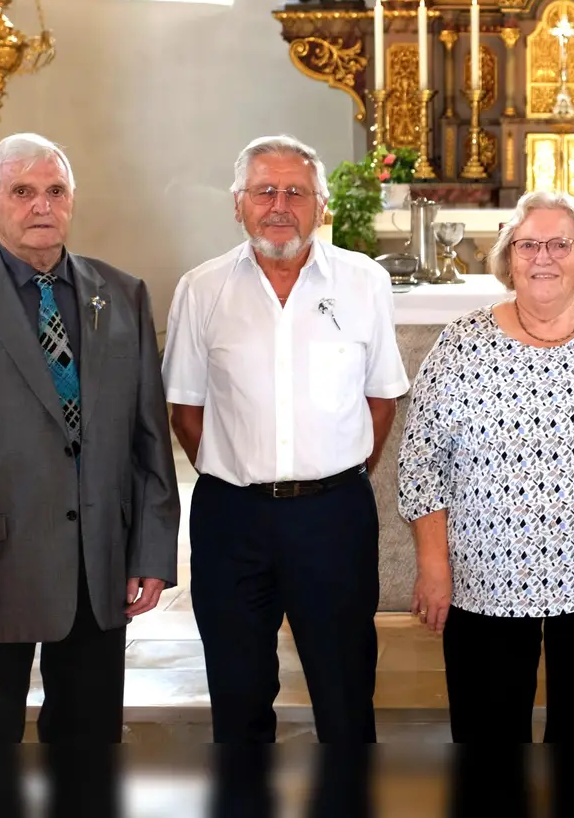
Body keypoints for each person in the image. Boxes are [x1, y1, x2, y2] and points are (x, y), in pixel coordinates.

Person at [0, 132, 179, 813]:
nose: (40, 206)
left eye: (54, 191)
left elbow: (149, 439)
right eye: (22, 192)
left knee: (87, 760)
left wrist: (149, 554)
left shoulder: (123, 295)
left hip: (94, 572)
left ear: (72, 201)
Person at [161, 135, 408, 810]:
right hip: (230, 517)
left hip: (332, 516)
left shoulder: (364, 282)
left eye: (295, 192)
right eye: (264, 192)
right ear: (238, 205)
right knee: (238, 696)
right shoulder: (201, 288)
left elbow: (381, 399)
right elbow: (185, 407)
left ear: (320, 206)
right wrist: (238, 470)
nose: (279, 206)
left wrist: (333, 474)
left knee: (345, 692)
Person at [398, 190, 574, 743]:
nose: (543, 257)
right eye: (528, 244)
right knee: (488, 743)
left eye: (560, 243)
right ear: (508, 260)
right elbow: (421, 465)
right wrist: (434, 566)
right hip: (485, 581)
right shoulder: (460, 346)